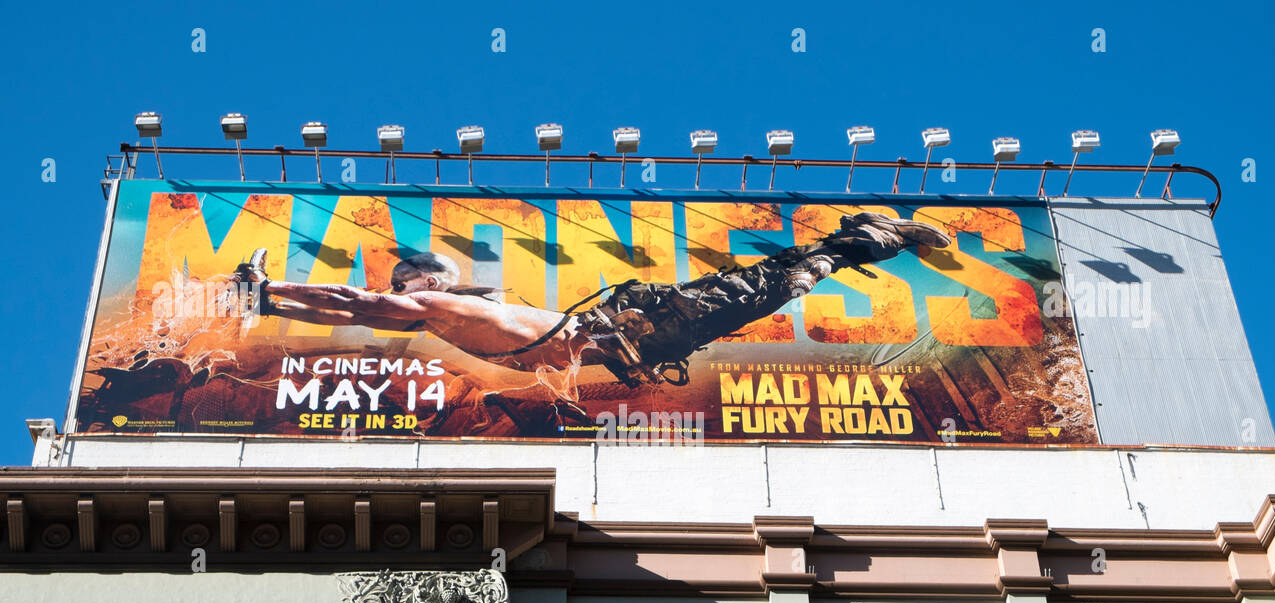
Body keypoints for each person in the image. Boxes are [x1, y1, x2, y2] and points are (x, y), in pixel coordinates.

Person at [244, 210, 950, 387]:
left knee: (773, 286)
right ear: (421, 282)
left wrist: (274, 305)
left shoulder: (446, 317)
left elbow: (343, 311)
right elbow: (349, 300)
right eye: (433, 275)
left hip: (642, 337)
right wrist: (272, 286)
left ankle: (864, 239)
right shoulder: (433, 307)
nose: (447, 278)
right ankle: (871, 237)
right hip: (644, 329)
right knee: (773, 282)